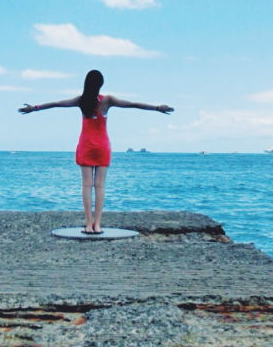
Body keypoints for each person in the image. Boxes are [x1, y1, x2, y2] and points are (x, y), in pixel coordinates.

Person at [18, 70, 173, 234]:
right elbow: (133, 104)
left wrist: (34, 108)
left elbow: (57, 103)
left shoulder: (81, 100)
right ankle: (97, 225)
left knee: (86, 186)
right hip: (101, 147)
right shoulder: (107, 100)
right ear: (100, 84)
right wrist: (157, 108)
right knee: (99, 186)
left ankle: (88, 224)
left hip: (86, 145)